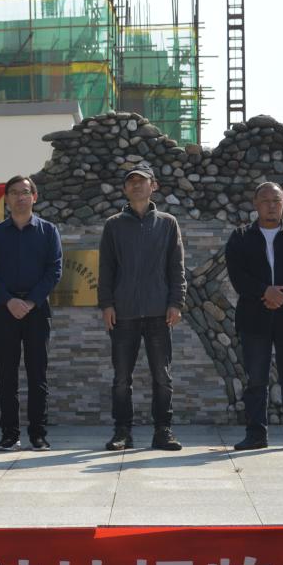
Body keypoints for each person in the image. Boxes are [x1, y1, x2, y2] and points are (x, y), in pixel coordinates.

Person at [98, 162, 186, 452]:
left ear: (154, 186)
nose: (136, 185)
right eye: (131, 181)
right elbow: (106, 269)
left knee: (162, 376)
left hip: (159, 312)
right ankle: (122, 431)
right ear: (125, 188)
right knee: (122, 377)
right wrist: (106, 304)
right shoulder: (113, 225)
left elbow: (176, 267)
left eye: (142, 180)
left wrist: (176, 302)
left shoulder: (167, 223)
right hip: (123, 313)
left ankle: (163, 430)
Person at [225, 182, 283, 451]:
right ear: (256, 204)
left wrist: (280, 297)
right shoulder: (240, 237)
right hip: (254, 318)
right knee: (256, 380)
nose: (271, 205)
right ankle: (256, 435)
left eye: (276, 200)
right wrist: (265, 291)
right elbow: (238, 276)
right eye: (265, 200)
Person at [0, 176, 62, 451]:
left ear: (34, 197)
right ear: (6, 198)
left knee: (38, 374)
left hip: (37, 310)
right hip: (4, 310)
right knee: (7, 375)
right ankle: (9, 434)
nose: (20, 197)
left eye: (25, 192)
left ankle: (38, 434)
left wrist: (30, 302)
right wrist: (9, 301)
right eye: (14, 193)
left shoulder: (48, 231)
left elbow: (54, 270)